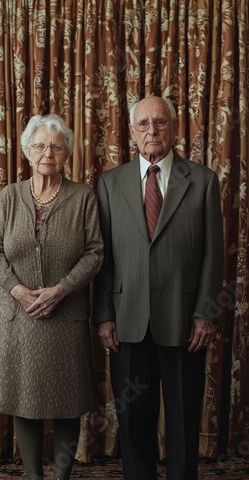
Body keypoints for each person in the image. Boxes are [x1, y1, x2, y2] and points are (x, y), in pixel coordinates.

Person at [93, 96, 224, 480]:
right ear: (132, 132)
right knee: (133, 420)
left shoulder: (202, 180)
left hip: (185, 322)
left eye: (161, 123)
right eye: (144, 124)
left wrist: (206, 312)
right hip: (127, 320)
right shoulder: (110, 183)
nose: (153, 131)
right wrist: (103, 315)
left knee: (183, 416)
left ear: (174, 128)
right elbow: (103, 257)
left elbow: (213, 255)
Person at [0, 114, 104, 480]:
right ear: (26, 152)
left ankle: (62, 477)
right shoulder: (9, 196)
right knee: (25, 400)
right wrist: (18, 290)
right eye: (39, 145)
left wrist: (62, 288)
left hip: (65, 315)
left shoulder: (83, 196)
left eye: (55, 145)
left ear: (67, 151)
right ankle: (35, 477)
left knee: (68, 403)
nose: (47, 153)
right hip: (19, 317)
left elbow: (95, 252)